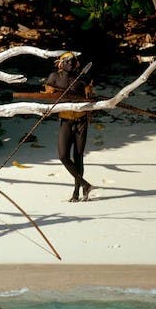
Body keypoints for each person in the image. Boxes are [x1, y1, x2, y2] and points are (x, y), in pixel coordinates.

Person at [44, 51, 94, 202]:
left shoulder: (82, 78)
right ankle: (85, 184)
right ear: (61, 63)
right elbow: (48, 93)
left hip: (81, 121)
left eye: (73, 61)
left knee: (78, 157)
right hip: (65, 120)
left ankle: (77, 192)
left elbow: (90, 98)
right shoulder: (54, 77)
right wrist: (50, 92)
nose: (71, 64)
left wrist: (89, 91)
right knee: (63, 156)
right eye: (67, 61)